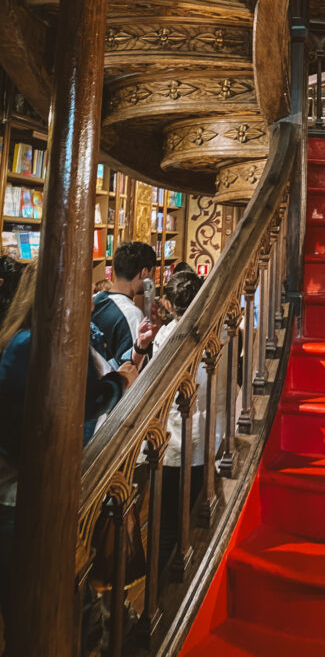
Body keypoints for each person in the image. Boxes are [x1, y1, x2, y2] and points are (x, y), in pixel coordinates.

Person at [0, 262, 153, 624]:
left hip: (36, 485)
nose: (92, 299)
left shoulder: (40, 336)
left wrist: (130, 363)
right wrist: (118, 384)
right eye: (84, 291)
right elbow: (73, 402)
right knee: (37, 608)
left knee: (55, 598)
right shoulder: (37, 342)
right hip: (22, 491)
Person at [150, 270, 227, 569]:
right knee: (199, 517)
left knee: (167, 524)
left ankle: (159, 593)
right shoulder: (221, 333)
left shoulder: (166, 337)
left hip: (171, 443)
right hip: (209, 438)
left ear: (169, 304)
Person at [92, 241, 158, 362]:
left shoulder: (95, 300)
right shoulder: (131, 314)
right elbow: (134, 367)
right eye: (152, 274)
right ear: (144, 273)